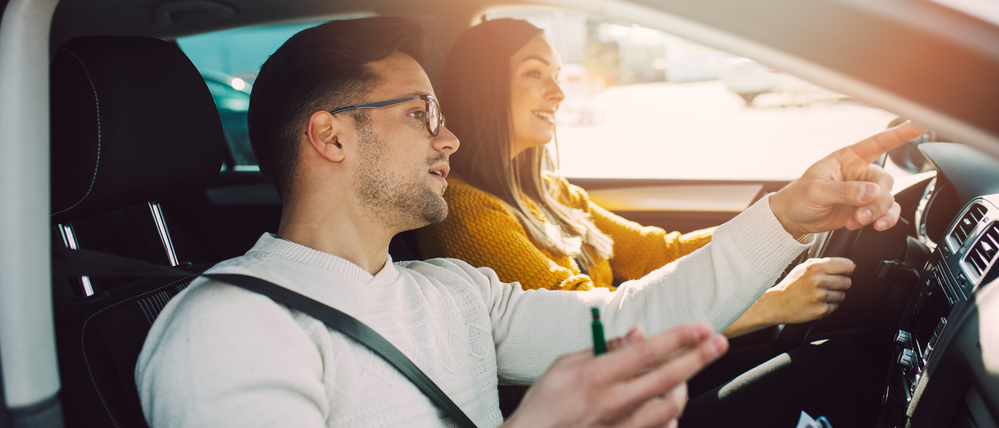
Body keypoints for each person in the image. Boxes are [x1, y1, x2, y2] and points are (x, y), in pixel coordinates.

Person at [135, 16, 922, 428]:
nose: (448, 139)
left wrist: (787, 215)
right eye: (419, 114)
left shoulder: (454, 291)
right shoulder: (225, 328)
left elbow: (633, 315)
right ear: (330, 136)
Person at [417, 18, 858, 340]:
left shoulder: (551, 192)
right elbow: (594, 328)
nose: (559, 92)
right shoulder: (468, 212)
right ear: (483, 86)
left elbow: (657, 253)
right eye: (534, 73)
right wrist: (773, 304)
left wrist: (786, 221)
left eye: (556, 75)